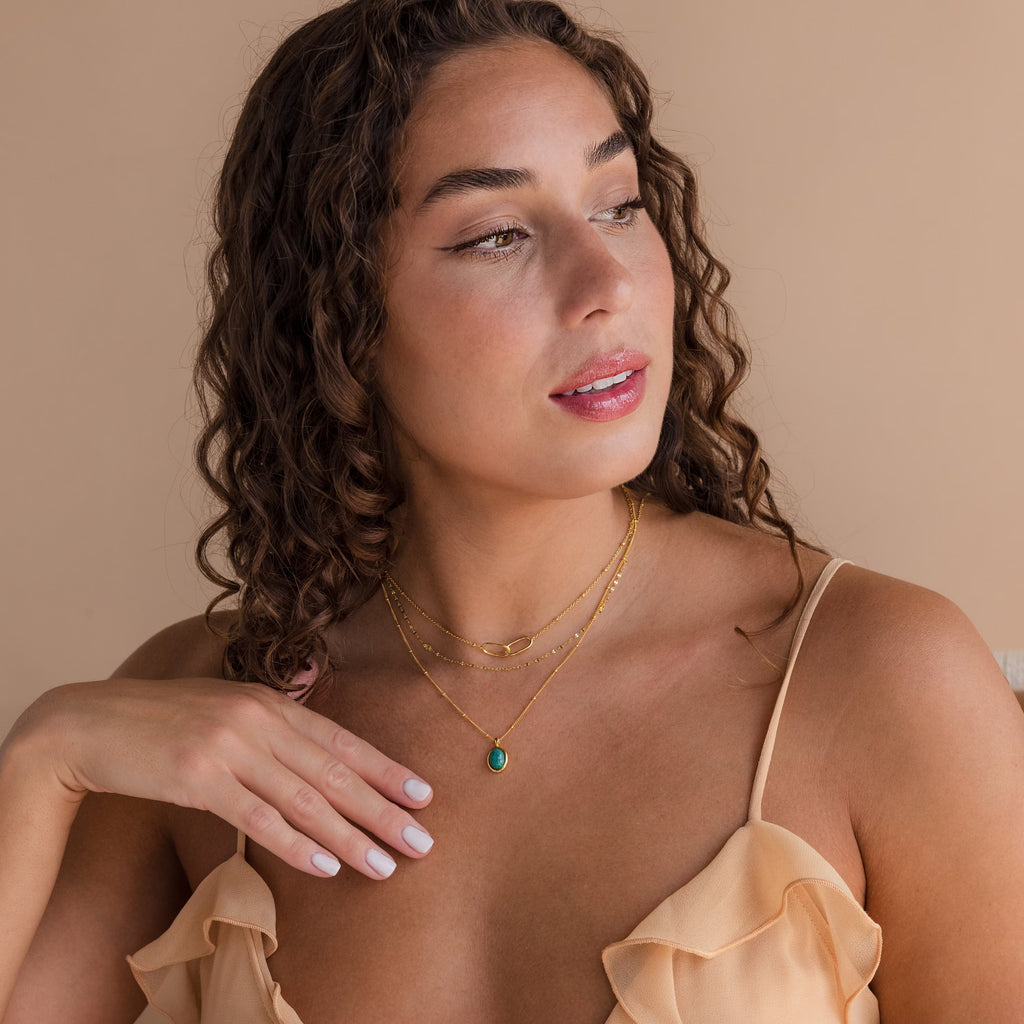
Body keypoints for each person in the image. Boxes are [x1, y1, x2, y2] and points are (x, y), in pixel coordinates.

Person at [2, 0, 1023, 1020]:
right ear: (336, 314)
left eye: (619, 205)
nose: (606, 283)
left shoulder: (879, 676)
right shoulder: (199, 725)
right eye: (497, 235)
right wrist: (45, 755)